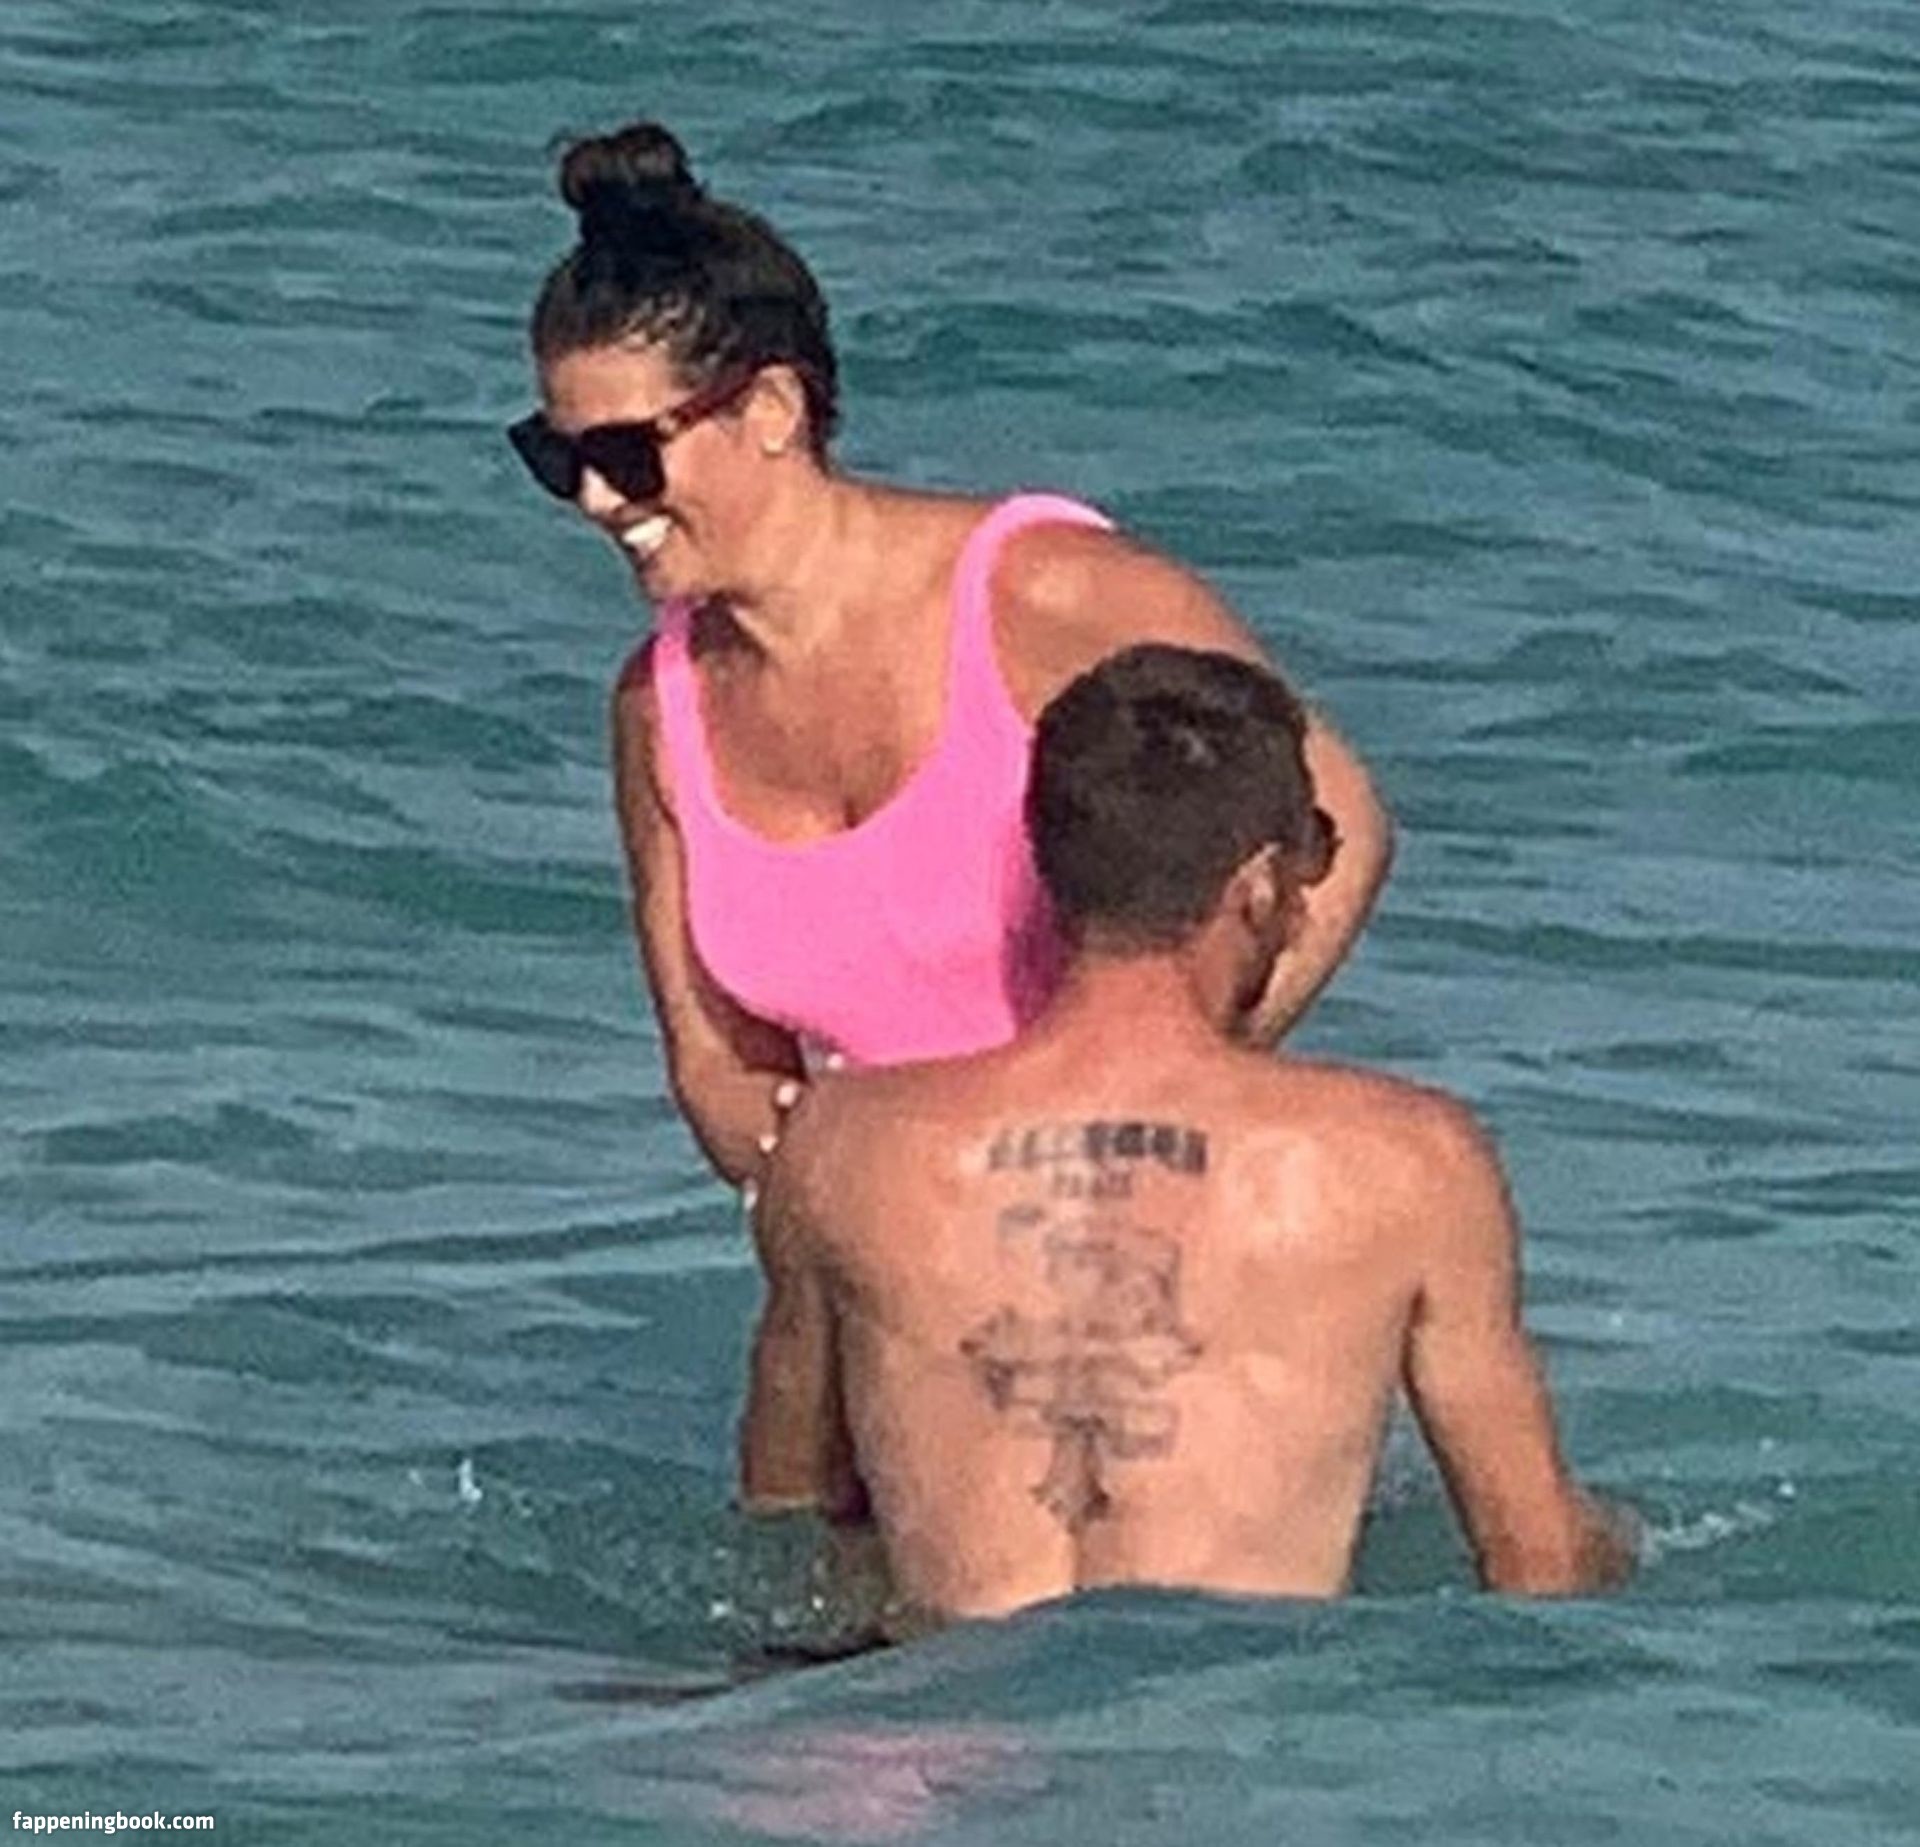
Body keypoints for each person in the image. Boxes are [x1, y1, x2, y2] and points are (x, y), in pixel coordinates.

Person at [507, 120, 1394, 1193]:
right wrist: (873, 1200)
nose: (597, 498)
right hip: (887, 1274)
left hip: (1151, 1233)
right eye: (558, 458)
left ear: (773, 408)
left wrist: (1152, 1114)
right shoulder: (660, 707)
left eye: (625, 453)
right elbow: (716, 1063)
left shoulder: (1043, 593)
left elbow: (1338, 825)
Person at [742, 645, 1638, 1621]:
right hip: (1232, 1704)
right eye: (1312, 856)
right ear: (1258, 883)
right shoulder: (1411, 1163)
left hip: (949, 1699)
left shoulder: (841, 1143)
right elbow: (1534, 1558)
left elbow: (790, 1516)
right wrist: (1623, 1542)